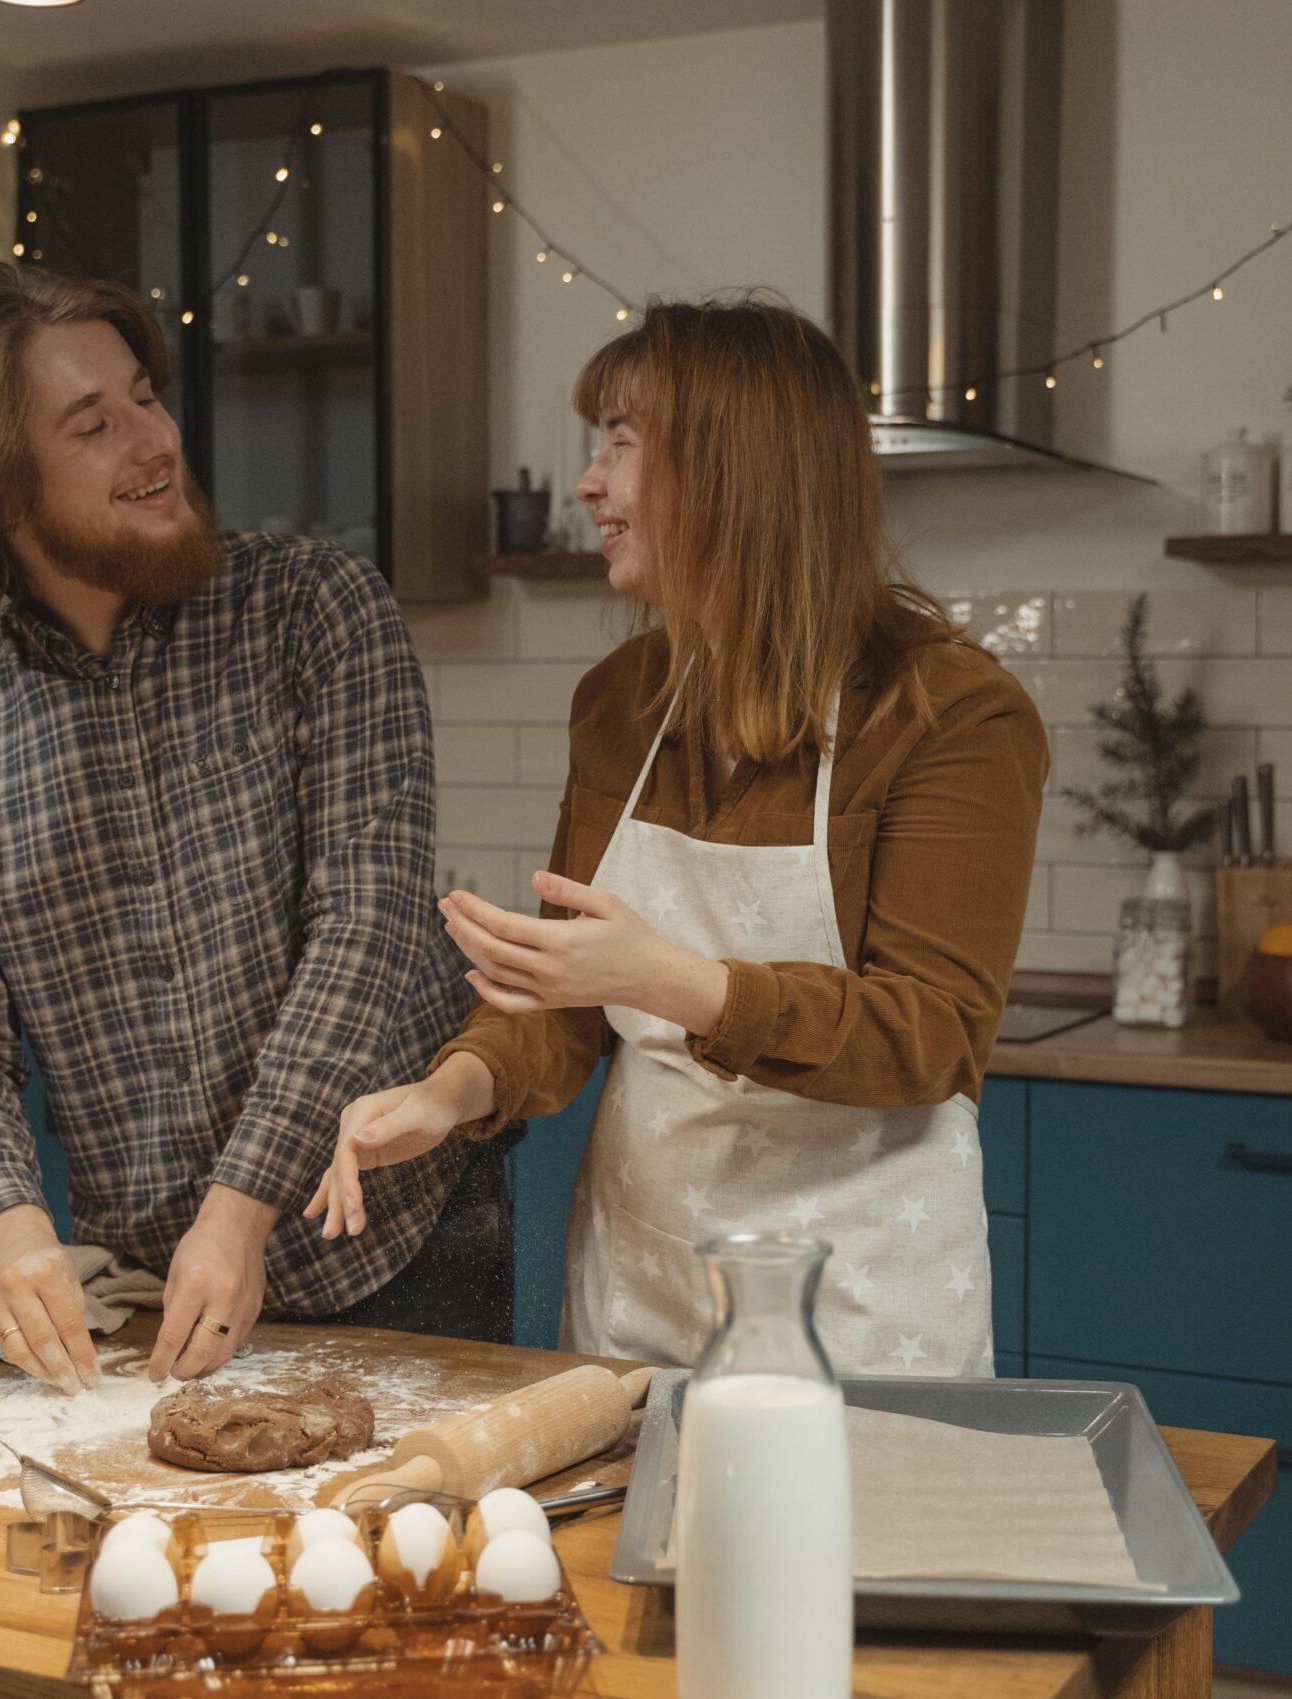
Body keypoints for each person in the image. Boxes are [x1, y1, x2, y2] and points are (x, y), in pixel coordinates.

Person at [305, 295, 1046, 1377]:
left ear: (730, 468)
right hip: (642, 1293)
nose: (588, 483)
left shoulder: (949, 712)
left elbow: (931, 1037)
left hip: (856, 1309)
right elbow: (566, 1005)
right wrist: (450, 1091)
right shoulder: (624, 700)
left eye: (619, 441)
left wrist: (665, 976)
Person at [0, 261, 506, 1393]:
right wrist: (12, 1235)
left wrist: (240, 1205)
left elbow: (366, 925)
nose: (154, 440)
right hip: (152, 1280)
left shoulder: (315, 610)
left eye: (144, 396)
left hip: (403, 1249)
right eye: (92, 424)